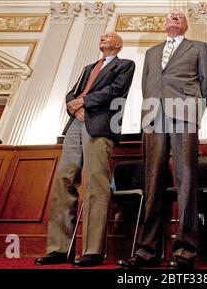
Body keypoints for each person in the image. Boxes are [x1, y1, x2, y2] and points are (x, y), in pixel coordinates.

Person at [116, 9, 207, 269]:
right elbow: (146, 86)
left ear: (186, 24)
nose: (174, 18)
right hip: (153, 118)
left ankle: (185, 251)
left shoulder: (199, 47)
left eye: (179, 16)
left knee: (186, 181)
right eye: (170, 16)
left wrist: (193, 109)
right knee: (153, 183)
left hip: (184, 115)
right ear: (163, 24)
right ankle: (148, 251)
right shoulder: (151, 53)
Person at [35, 32, 135, 267]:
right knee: (63, 181)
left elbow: (116, 90)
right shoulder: (89, 67)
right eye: (101, 35)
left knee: (95, 183)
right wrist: (73, 104)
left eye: (108, 36)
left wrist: (84, 102)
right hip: (75, 124)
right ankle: (59, 248)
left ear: (118, 44)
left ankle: (93, 250)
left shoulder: (125, 65)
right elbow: (73, 92)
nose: (102, 37)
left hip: (99, 126)